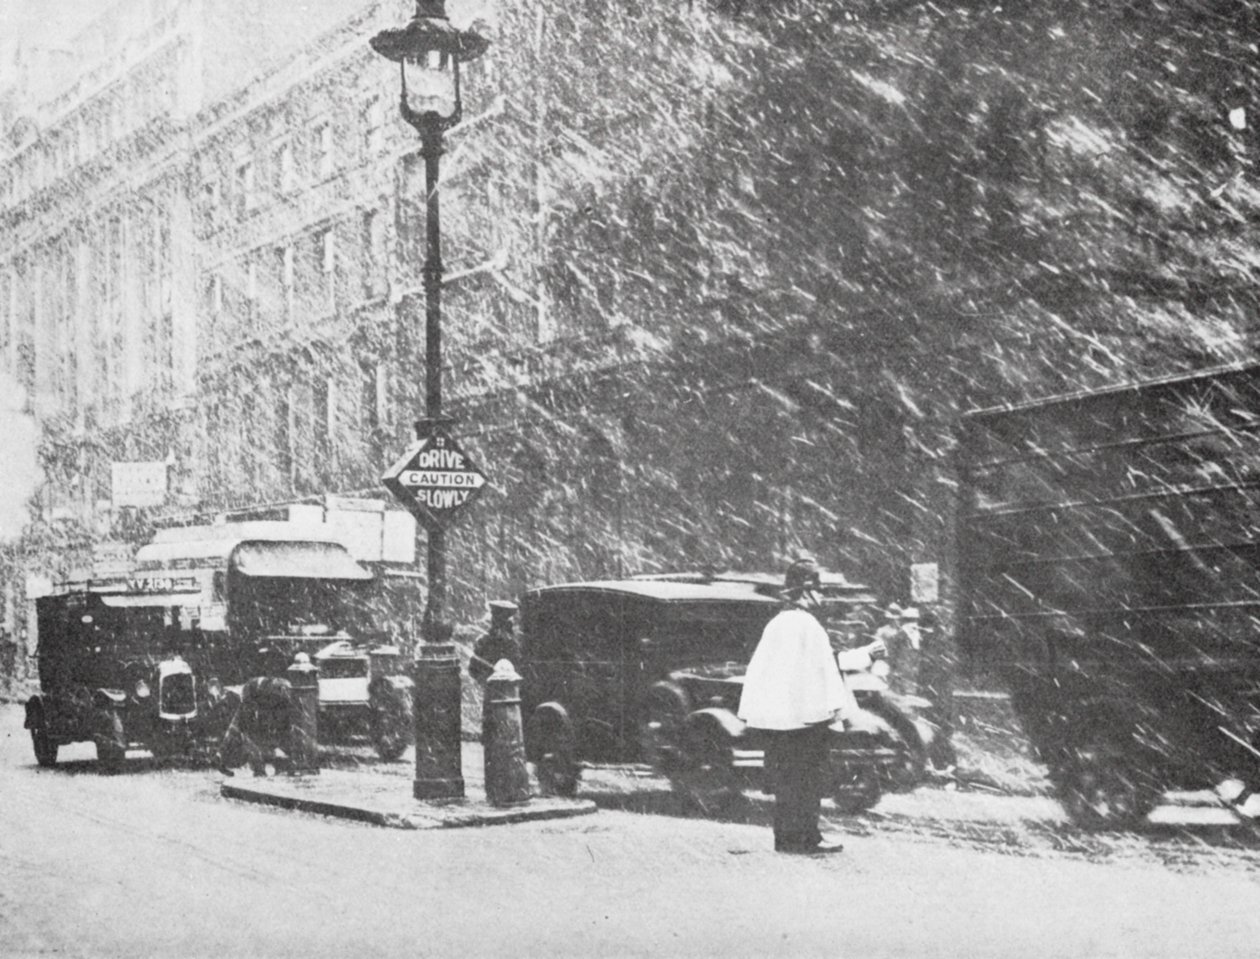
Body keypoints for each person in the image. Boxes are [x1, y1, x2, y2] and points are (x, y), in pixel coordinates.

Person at [738, 556, 857, 855]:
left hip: (779, 719)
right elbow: (824, 670)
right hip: (807, 719)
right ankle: (807, 837)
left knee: (785, 780)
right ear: (806, 591)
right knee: (808, 779)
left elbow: (760, 671)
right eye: (818, 589)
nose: (822, 596)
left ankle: (786, 838)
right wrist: (834, 711)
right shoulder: (809, 625)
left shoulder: (776, 624)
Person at [215, 673, 296, 777]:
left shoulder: (278, 692)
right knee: (249, 734)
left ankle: (222, 755)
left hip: (262, 695)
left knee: (244, 731)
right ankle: (263, 767)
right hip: (260, 695)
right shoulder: (281, 692)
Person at [469, 601, 522, 741]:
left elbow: (473, 669)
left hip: (493, 694)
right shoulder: (515, 643)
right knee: (508, 735)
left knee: (493, 734)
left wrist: (487, 678)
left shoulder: (484, 641)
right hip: (511, 696)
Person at [469, 601, 521, 684]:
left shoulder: (513, 644)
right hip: (491, 688)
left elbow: (520, 667)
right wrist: (487, 679)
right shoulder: (483, 642)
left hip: (509, 690)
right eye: (498, 623)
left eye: (504, 624)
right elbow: (474, 669)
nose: (501, 629)